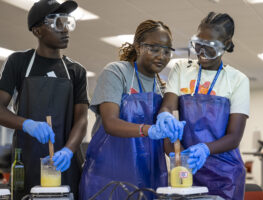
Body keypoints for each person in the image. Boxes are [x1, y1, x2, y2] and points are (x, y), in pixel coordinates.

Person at [79, 20, 185, 200]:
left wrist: (183, 155)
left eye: (167, 51)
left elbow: (167, 143)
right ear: (138, 47)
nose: (161, 56)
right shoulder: (117, 72)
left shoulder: (162, 88)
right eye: (154, 48)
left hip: (150, 176)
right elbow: (110, 123)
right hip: (108, 175)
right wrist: (149, 129)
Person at [0, 0, 89, 199]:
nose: (65, 29)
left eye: (67, 22)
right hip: (27, 162)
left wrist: (68, 150)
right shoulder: (18, 63)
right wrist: (27, 124)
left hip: (66, 166)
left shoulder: (76, 71)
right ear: (37, 30)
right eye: (58, 23)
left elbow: (81, 120)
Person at [158, 12, 250, 200]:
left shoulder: (237, 80)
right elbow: (168, 106)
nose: (201, 52)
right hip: (186, 168)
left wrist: (205, 149)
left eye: (210, 48)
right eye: (198, 44)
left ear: (225, 45)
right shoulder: (182, 69)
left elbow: (234, 136)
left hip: (225, 175)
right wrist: (165, 117)